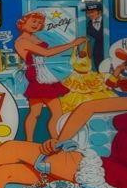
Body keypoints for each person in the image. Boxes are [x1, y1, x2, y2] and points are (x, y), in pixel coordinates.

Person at [15, 11, 82, 141]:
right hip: (39, 76)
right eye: (33, 21)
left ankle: (50, 140)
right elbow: (46, 53)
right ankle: (51, 140)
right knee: (47, 113)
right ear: (24, 23)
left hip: (44, 74)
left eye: (39, 22)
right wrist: (72, 44)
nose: (37, 24)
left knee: (37, 113)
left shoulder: (34, 37)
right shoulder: (22, 41)